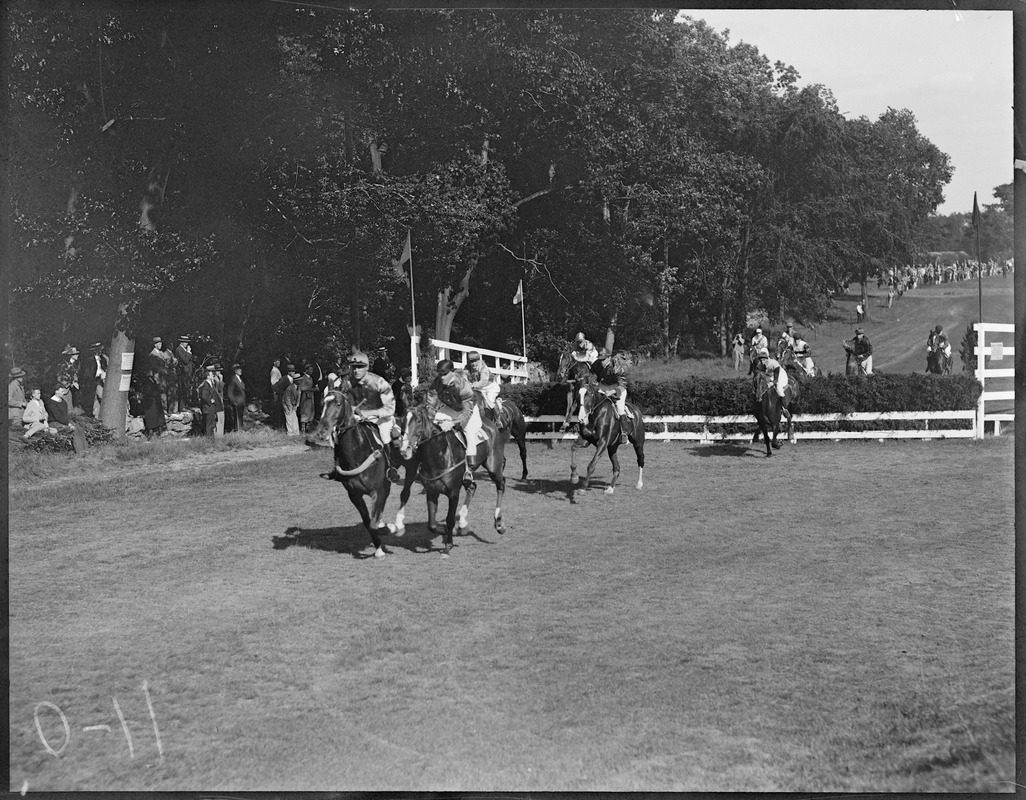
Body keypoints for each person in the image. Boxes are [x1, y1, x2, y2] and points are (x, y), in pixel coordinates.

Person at [343, 350, 400, 480]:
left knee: (385, 435)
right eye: (354, 367)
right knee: (340, 431)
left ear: (367, 367)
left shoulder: (380, 382)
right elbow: (344, 402)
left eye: (360, 367)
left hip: (381, 418)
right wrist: (353, 409)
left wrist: (369, 413)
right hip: (358, 417)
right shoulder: (347, 383)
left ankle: (391, 467)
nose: (356, 371)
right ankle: (340, 463)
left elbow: (390, 409)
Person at [429, 359, 480, 486]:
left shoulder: (463, 385)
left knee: (469, 435)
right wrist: (430, 418)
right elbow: (430, 403)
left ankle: (468, 471)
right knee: (432, 426)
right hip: (450, 408)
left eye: (444, 374)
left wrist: (452, 423)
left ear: (452, 372)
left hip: (468, 411)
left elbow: (466, 412)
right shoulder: (437, 382)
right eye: (439, 374)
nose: (441, 377)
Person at [591, 348, 632, 443]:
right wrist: (593, 384)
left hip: (617, 387)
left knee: (620, 408)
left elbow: (623, 384)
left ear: (609, 357)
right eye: (600, 359)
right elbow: (592, 377)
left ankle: (624, 433)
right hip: (604, 386)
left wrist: (613, 391)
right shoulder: (597, 364)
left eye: (603, 359)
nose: (601, 362)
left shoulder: (617, 367)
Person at [465, 350, 504, 427]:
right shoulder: (467, 367)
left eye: (475, 361)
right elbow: (464, 376)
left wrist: (472, 385)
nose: (473, 364)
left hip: (490, 388)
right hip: (478, 388)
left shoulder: (483, 368)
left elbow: (482, 382)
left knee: (490, 401)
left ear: (479, 360)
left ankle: (498, 420)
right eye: (471, 361)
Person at [148, 336, 173, 415]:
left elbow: (165, 364)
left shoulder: (161, 353)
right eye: (159, 343)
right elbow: (154, 367)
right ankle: (161, 410)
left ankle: (164, 409)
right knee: (160, 392)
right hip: (158, 376)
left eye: (161, 343)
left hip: (163, 376)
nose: (160, 345)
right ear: (155, 345)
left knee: (164, 392)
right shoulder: (152, 354)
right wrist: (162, 371)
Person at [81, 342, 107, 418]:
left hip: (99, 380)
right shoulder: (89, 360)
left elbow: (104, 368)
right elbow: (86, 373)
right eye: (98, 350)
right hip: (91, 381)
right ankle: (91, 414)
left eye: (100, 350)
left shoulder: (103, 359)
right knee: (90, 398)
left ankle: (102, 413)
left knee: (101, 395)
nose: (100, 352)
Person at [198, 364, 222, 436]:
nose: (213, 375)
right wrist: (210, 401)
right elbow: (204, 396)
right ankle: (209, 438)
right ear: (208, 376)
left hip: (211, 407)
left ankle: (211, 438)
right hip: (208, 407)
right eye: (211, 374)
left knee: (212, 423)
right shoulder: (205, 384)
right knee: (209, 424)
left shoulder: (210, 383)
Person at [57, 345, 81, 410]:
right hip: (64, 388)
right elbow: (60, 378)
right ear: (71, 355)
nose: (77, 355)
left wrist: (75, 382)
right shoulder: (63, 365)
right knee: (65, 405)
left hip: (71, 389)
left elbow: (76, 375)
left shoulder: (76, 364)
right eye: (75, 354)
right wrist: (71, 383)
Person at [174, 335, 194, 410]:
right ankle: (182, 406)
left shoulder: (183, 349)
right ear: (181, 342)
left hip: (187, 373)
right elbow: (185, 360)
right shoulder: (179, 349)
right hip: (183, 372)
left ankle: (185, 405)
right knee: (183, 389)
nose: (187, 344)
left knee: (186, 389)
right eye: (185, 342)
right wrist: (188, 352)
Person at [281, 364, 301, 436]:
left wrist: (297, 405)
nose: (300, 381)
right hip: (286, 404)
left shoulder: (298, 387)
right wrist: (289, 408)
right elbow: (287, 399)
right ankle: (290, 433)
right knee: (289, 417)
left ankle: (296, 432)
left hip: (293, 404)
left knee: (294, 418)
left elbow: (299, 397)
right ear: (296, 381)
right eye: (299, 380)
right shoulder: (290, 388)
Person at [225, 363, 246, 432]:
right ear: (235, 371)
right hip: (236, 402)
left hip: (241, 401)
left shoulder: (240, 379)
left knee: (240, 416)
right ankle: (237, 430)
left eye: (240, 369)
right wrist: (233, 401)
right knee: (237, 417)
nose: (240, 370)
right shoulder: (233, 379)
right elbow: (230, 392)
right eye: (238, 369)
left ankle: (241, 429)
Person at [297, 365, 316, 432]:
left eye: (312, 370)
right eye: (310, 369)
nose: (312, 371)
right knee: (305, 412)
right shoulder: (304, 378)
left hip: (311, 396)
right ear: (306, 370)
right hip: (305, 397)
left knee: (311, 411)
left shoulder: (311, 378)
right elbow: (301, 388)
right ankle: (303, 429)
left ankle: (308, 428)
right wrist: (310, 389)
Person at [269, 358, 283, 428]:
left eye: (279, 361)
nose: (279, 363)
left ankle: (278, 423)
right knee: (277, 408)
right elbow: (273, 383)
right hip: (276, 392)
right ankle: (277, 424)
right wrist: (277, 391)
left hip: (278, 391)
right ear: (274, 362)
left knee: (278, 408)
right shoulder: (274, 371)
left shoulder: (277, 370)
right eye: (277, 362)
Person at [213, 364, 226, 436]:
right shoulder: (215, 380)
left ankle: (221, 433)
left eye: (219, 371)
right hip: (217, 401)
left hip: (220, 400)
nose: (219, 372)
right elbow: (220, 390)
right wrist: (220, 380)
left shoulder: (217, 379)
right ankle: (218, 434)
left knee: (221, 418)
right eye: (217, 371)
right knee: (218, 418)